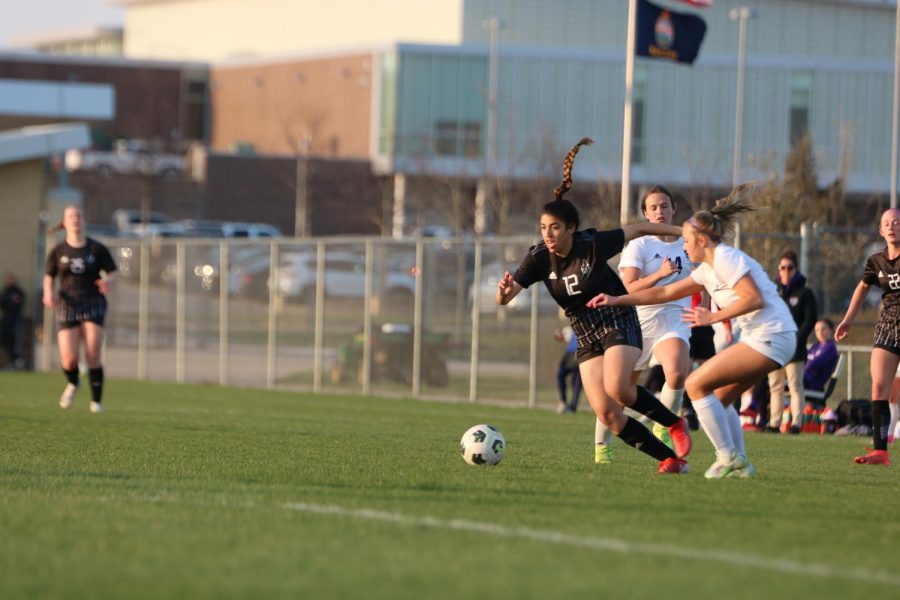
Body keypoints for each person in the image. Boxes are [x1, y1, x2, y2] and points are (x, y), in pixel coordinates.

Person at [496, 137, 692, 474]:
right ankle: (669, 459)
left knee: (619, 387)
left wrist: (686, 232)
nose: (548, 234)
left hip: (616, 316)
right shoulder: (538, 258)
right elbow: (507, 296)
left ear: (571, 228)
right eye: (543, 228)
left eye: (555, 228)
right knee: (607, 414)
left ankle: (675, 423)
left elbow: (642, 227)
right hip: (585, 333)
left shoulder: (592, 243)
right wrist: (502, 292)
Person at [587, 193, 798, 479]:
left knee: (696, 384)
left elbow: (755, 299)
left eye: (686, 239)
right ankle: (741, 462)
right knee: (720, 398)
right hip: (771, 337)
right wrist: (615, 300)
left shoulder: (725, 257)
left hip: (771, 335)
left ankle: (726, 458)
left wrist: (713, 317)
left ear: (701, 241)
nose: (682, 245)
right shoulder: (707, 271)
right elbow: (662, 292)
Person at [593, 186, 693, 464]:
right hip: (637, 323)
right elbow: (628, 287)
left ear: (674, 209)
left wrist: (705, 307)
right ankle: (602, 444)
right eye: (653, 207)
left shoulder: (687, 243)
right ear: (645, 213)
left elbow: (702, 277)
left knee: (676, 371)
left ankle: (665, 424)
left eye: (664, 205)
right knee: (618, 392)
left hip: (675, 319)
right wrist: (659, 275)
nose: (660, 211)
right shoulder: (640, 245)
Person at [835, 207, 900, 466]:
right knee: (878, 387)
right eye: (888, 223)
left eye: (897, 222)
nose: (892, 226)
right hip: (888, 325)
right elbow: (862, 287)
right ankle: (880, 451)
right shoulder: (875, 261)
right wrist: (848, 319)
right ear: (881, 230)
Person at [43, 205, 117, 414]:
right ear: (64, 222)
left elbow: (112, 272)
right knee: (69, 359)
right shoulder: (58, 250)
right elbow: (49, 276)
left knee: (93, 353)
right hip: (67, 304)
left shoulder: (96, 248)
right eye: (70, 216)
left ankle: (96, 403)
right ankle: (74, 383)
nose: (75, 219)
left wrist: (108, 282)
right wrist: (48, 293)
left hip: (93, 303)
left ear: (84, 220)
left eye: (78, 216)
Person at [763, 250, 818, 433]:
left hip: (795, 349)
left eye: (790, 268)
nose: (786, 271)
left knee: (795, 385)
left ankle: (796, 423)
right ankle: (774, 423)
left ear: (796, 269)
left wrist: (795, 339)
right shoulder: (773, 292)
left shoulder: (805, 293)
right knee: (775, 385)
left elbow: (809, 320)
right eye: (782, 267)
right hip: (776, 348)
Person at [804, 318, 839, 395]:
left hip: (812, 385)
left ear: (830, 330)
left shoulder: (830, 348)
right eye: (817, 330)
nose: (820, 333)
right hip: (804, 380)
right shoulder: (815, 346)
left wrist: (800, 370)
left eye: (823, 329)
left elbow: (813, 365)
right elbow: (803, 357)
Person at [554, 325, 582, 413]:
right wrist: (560, 334)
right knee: (560, 374)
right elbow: (564, 335)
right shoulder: (570, 329)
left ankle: (573, 407)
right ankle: (563, 401)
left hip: (579, 352)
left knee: (576, 380)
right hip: (569, 354)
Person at [1, 273, 25, 369]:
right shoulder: (5, 291)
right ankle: (13, 360)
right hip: (5, 321)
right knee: (5, 341)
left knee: (15, 342)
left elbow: (18, 303)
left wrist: (10, 301)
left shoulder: (18, 291)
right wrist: (9, 300)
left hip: (15, 321)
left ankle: (18, 361)